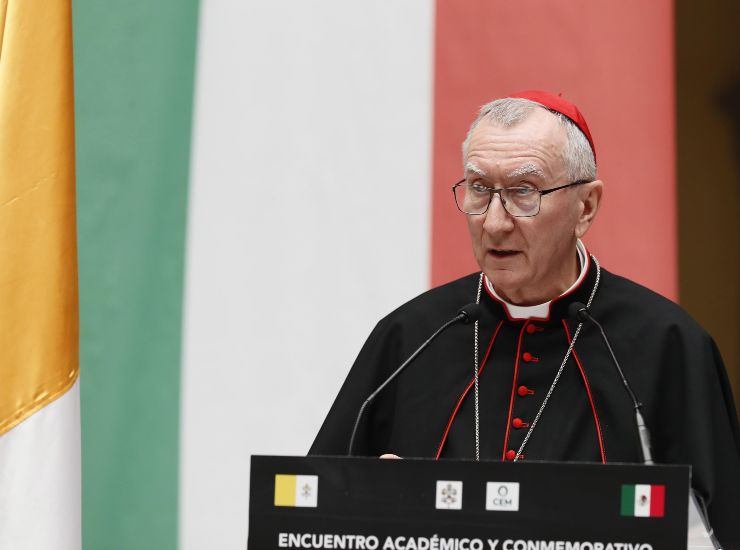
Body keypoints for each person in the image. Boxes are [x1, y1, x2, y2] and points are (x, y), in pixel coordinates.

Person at [309, 91, 740, 547]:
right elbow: (313, 516)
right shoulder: (411, 336)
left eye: (523, 191)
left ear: (586, 206)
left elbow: (719, 530)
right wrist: (369, 504)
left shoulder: (667, 343)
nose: (494, 223)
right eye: (479, 188)